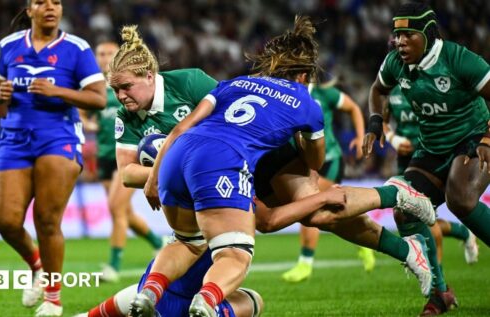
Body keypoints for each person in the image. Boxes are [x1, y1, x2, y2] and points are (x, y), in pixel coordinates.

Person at [128, 16, 437, 317]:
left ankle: (397, 201)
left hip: (239, 157)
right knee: (289, 217)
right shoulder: (304, 102)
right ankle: (406, 240)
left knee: (315, 213)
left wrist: (156, 174)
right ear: (304, 74)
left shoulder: (232, 83)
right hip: (233, 159)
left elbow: (182, 128)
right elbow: (312, 164)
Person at [363, 2, 490, 315]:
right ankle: (439, 293)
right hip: (431, 147)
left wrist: (487, 137)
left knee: (459, 198)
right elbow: (378, 90)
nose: (400, 41)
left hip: (473, 137)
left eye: (408, 34)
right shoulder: (394, 63)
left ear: (428, 35)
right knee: (405, 212)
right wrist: (376, 121)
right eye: (397, 35)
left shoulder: (459, 59)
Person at [0, 0, 106, 316]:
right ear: (30, 10)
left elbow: (98, 97)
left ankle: (53, 299)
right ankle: (36, 265)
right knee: (5, 218)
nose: (50, 7)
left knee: (47, 219)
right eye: (41, 2)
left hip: (59, 136)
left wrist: (58, 93)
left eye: (56, 2)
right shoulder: (9, 45)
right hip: (14, 138)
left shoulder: (77, 49)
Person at [80, 41, 164, 283]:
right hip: (105, 156)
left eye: (109, 53)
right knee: (124, 212)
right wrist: (88, 124)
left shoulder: (128, 88)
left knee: (117, 208)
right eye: (101, 54)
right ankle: (159, 244)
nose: (104, 57)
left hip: (127, 156)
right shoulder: (95, 88)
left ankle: (114, 266)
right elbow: (80, 111)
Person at [282, 79, 374, 283]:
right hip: (306, 162)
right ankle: (363, 238)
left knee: (308, 206)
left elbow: (352, 108)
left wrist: (360, 137)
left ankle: (305, 263)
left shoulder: (325, 93)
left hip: (329, 159)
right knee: (327, 210)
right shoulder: (285, 94)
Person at [384, 85, 479, 264]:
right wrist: (393, 139)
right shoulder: (392, 92)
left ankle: (438, 280)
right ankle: (463, 233)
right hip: (404, 159)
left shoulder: (428, 84)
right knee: (412, 217)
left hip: (429, 156)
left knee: (426, 220)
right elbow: (383, 121)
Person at [74, 248, 264, 317]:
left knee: (254, 301)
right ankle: (208, 303)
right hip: (186, 288)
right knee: (254, 301)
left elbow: (129, 175)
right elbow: (266, 222)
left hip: (167, 284)